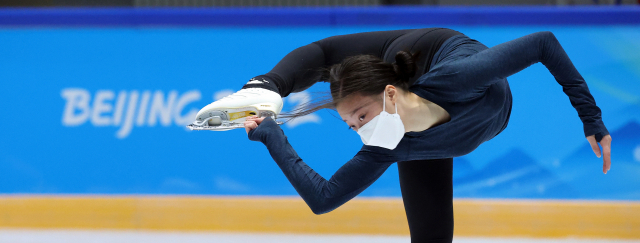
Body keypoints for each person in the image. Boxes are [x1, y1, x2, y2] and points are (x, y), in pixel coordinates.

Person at [200, 28, 613, 243]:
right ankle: (267, 89)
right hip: (415, 116)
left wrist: (590, 118)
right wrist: (271, 135)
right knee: (432, 237)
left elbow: (543, 43)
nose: (362, 130)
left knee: (328, 54)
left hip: (428, 48)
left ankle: (265, 84)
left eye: (361, 116)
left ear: (391, 94)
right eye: (353, 125)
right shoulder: (388, 145)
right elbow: (322, 199)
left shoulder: (459, 78)